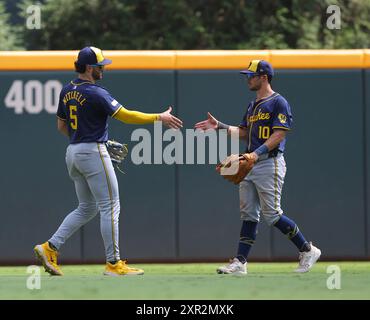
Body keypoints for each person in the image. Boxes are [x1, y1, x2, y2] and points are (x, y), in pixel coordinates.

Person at [34, 46, 183, 276]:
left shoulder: (67, 90)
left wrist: (83, 141)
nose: (104, 69)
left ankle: (50, 247)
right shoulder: (96, 92)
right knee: (110, 206)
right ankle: (114, 264)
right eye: (101, 66)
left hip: (73, 152)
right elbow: (125, 115)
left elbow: (61, 126)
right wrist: (158, 117)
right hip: (92, 151)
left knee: (87, 207)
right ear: (89, 68)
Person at [195, 60, 321, 274]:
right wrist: (220, 127)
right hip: (250, 163)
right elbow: (244, 132)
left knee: (272, 215)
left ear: (263, 77)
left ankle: (307, 249)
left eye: (251, 75)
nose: (247, 79)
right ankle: (240, 263)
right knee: (248, 215)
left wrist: (256, 153)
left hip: (268, 162)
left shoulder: (279, 102)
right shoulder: (252, 105)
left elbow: (279, 134)